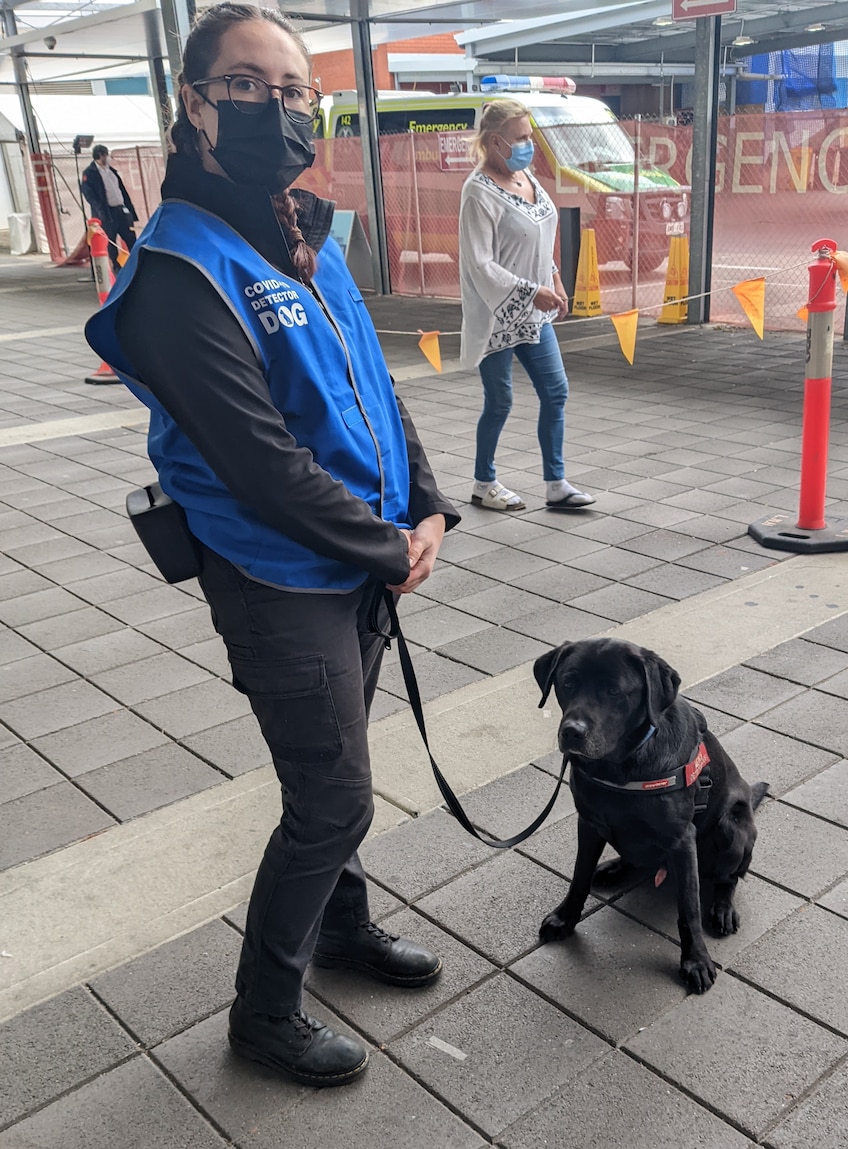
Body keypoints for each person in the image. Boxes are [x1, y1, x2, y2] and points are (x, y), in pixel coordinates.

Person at [85, 2, 459, 1089]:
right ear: (192, 104)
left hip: (359, 556)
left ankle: (342, 929)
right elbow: (255, 462)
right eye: (248, 85)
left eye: (295, 90)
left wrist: (426, 504)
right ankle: (263, 1015)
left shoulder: (301, 227)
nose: (277, 107)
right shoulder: (176, 271)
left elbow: (372, 387)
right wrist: (388, 548)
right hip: (276, 570)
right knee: (332, 796)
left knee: (337, 773)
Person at [459, 99, 596, 514]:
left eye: (529, 137)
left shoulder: (527, 176)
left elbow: (536, 239)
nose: (528, 145)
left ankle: (556, 483)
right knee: (499, 401)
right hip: (497, 313)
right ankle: (484, 482)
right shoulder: (477, 193)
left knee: (556, 392)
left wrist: (553, 278)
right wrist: (529, 291)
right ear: (495, 141)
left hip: (535, 311)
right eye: (521, 138)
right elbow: (479, 262)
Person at [80, 144, 139, 270]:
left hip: (121, 209)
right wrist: (100, 210)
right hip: (107, 212)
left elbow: (121, 191)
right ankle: (117, 266)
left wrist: (130, 210)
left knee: (130, 237)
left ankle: (137, 262)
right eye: (106, 154)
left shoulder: (111, 171)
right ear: (100, 155)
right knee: (111, 241)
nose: (108, 157)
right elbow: (89, 194)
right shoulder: (90, 173)